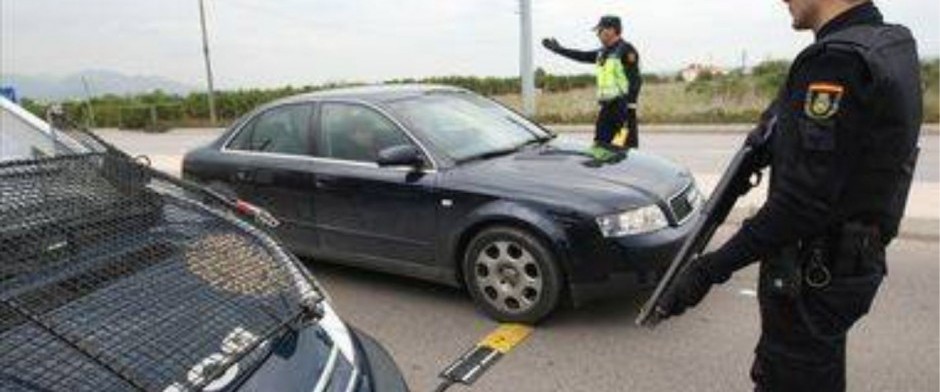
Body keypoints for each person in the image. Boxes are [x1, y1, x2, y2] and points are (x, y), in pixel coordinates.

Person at [658, 1, 922, 391]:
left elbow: (801, 203)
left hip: (814, 272)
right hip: (854, 261)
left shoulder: (836, 61)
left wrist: (708, 270)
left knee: (790, 377)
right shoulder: (891, 43)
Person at [542, 15, 642, 157]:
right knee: (599, 149)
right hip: (606, 108)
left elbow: (635, 80)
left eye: (600, 30)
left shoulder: (626, 50)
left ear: (611, 30)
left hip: (622, 110)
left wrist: (630, 107)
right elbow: (582, 56)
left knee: (622, 152)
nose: (598, 34)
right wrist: (559, 50)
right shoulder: (603, 51)